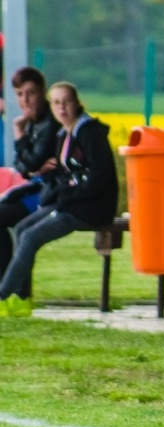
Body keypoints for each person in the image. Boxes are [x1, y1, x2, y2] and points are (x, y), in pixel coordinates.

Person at [0, 81, 118, 317]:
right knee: (23, 229)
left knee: (32, 237)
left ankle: (2, 295)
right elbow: (57, 172)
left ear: (76, 104)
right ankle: (20, 300)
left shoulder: (90, 132)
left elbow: (99, 174)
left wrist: (69, 194)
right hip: (70, 202)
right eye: (56, 103)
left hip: (90, 207)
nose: (61, 108)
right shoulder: (63, 133)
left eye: (66, 102)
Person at [0, 67, 59, 282]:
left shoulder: (49, 124)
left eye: (30, 93)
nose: (25, 100)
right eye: (19, 94)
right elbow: (23, 167)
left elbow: (28, 165)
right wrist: (33, 168)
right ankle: (9, 286)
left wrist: (18, 132)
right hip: (38, 187)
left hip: (50, 193)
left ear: (42, 92)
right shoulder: (33, 121)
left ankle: (10, 287)